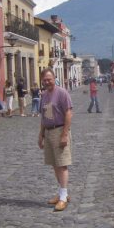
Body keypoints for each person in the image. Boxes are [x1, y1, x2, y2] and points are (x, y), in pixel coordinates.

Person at [38, 68, 73, 212]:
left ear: (54, 78)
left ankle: (63, 198)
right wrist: (41, 134)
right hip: (49, 132)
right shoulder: (44, 96)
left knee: (62, 164)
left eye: (49, 79)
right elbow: (44, 116)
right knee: (54, 164)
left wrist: (64, 134)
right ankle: (62, 193)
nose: (47, 82)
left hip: (60, 131)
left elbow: (69, 113)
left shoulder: (62, 93)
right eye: (45, 80)